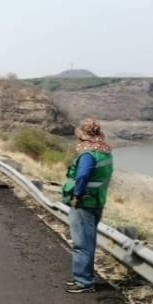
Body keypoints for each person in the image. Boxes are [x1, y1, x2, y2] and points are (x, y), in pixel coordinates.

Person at [61, 118, 114, 293]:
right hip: (97, 201)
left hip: (84, 203)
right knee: (88, 242)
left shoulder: (87, 155)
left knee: (82, 244)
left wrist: (77, 195)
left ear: (83, 136)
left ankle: (83, 282)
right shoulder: (105, 151)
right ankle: (83, 278)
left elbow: (82, 176)